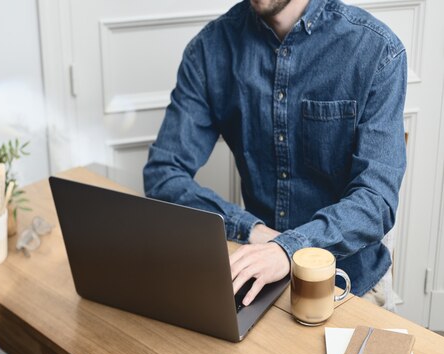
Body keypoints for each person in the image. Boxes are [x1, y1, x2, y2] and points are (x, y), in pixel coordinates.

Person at [143, 0, 407, 310]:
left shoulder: (377, 50)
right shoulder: (209, 49)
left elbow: (376, 199)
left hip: (349, 284)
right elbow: (163, 174)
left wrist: (288, 248)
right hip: (257, 279)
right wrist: (249, 230)